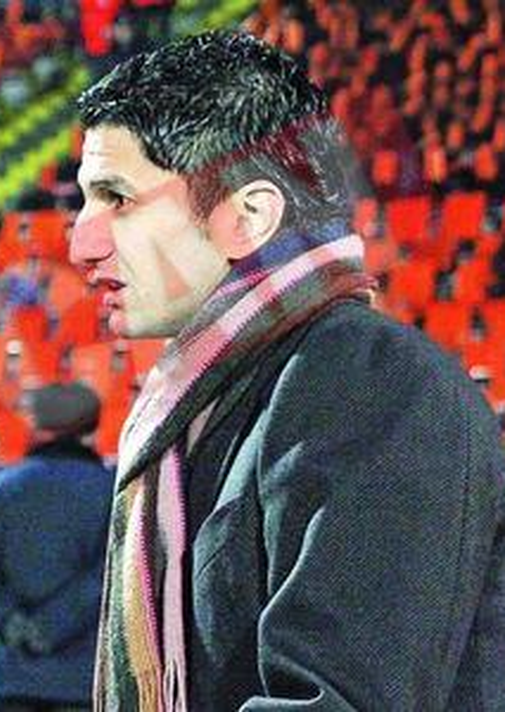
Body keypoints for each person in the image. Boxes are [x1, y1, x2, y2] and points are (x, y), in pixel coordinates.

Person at [69, 30, 504, 711]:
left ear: (247, 217)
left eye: (117, 198)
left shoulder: (367, 383)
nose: (81, 243)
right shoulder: (224, 396)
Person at [0, 382, 113, 712]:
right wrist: (52, 626)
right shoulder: (111, 490)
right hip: (86, 681)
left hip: (15, 678)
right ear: (91, 427)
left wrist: (12, 623)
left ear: (35, 424)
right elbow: (111, 573)